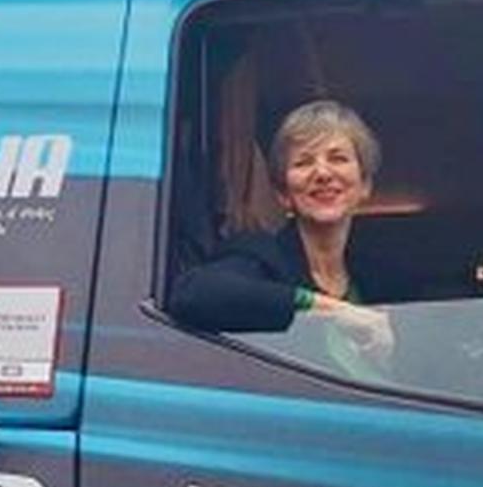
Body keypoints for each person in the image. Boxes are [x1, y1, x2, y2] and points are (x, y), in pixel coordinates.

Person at [168, 98, 395, 361]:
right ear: (283, 195)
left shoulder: (380, 280)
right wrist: (332, 310)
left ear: (364, 185)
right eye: (303, 162)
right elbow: (193, 293)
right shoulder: (261, 256)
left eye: (338, 158)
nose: (322, 173)